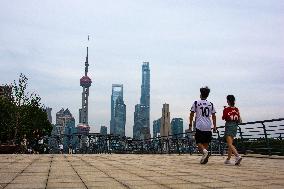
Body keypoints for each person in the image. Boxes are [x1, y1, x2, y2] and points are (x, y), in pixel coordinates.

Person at [189, 86, 217, 164]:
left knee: (198, 141)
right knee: (205, 142)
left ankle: (204, 153)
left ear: (200, 94)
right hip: (208, 126)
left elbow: (191, 114)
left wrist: (190, 124)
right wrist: (214, 126)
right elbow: (214, 116)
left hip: (199, 125)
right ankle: (204, 156)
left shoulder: (196, 103)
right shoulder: (210, 104)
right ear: (207, 95)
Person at [222, 95, 242, 165]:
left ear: (228, 101)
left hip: (229, 126)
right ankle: (228, 159)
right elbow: (240, 120)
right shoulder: (236, 109)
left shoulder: (226, 109)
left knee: (229, 144)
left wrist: (224, 109)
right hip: (235, 126)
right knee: (231, 144)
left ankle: (237, 156)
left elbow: (223, 117)